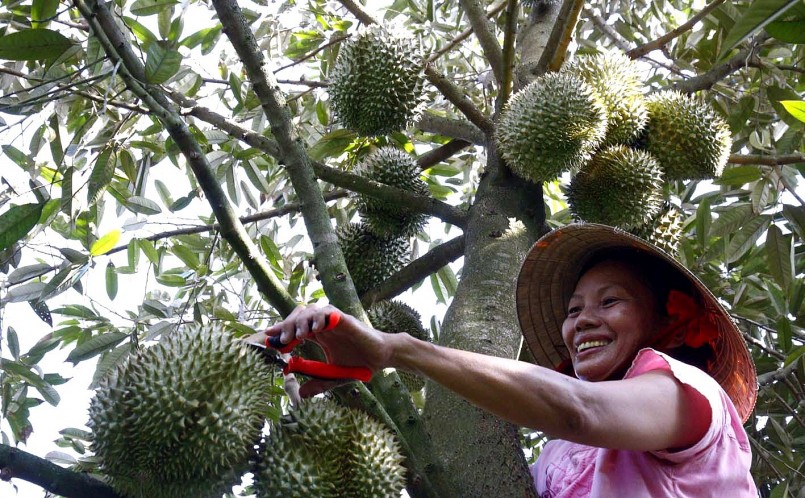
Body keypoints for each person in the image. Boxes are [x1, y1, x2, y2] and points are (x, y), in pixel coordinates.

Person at [262, 223, 758, 496]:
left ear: (664, 324)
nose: (582, 321)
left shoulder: (695, 397)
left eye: (610, 302)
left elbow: (581, 410)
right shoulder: (554, 459)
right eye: (573, 311)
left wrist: (397, 349)